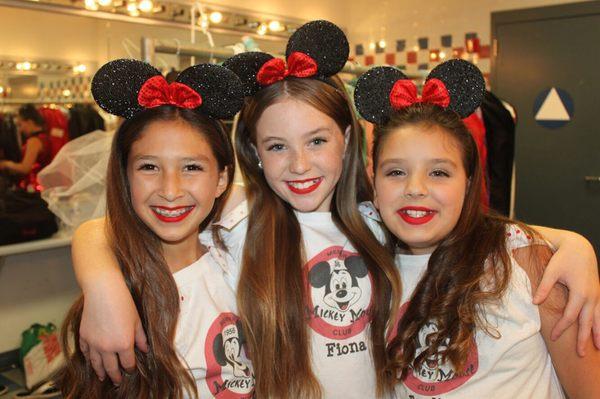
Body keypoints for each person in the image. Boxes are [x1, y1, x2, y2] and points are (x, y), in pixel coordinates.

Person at [70, 21, 599, 399]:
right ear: (252, 153)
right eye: (276, 146)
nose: (299, 163)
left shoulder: (379, 217)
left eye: (317, 140)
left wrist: (576, 245)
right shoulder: (237, 221)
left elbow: (478, 228)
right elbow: (110, 226)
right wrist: (102, 284)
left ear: (348, 141)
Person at [355, 60, 600, 398]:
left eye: (439, 173)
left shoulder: (528, 263)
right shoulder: (361, 255)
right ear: (373, 182)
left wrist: (574, 244)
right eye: (395, 172)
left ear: (468, 183)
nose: (415, 188)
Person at [58, 59, 254, 399]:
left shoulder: (237, 251)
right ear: (125, 176)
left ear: (222, 178)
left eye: (191, 167)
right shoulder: (118, 295)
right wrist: (102, 283)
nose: (171, 189)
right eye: (149, 167)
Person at [0, 104, 51, 190]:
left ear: (30, 122)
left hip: (33, 188)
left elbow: (25, 168)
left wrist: (6, 164)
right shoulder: (45, 137)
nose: (20, 129)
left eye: (20, 124)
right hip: (43, 185)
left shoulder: (34, 141)